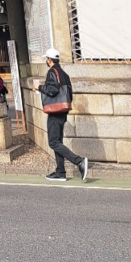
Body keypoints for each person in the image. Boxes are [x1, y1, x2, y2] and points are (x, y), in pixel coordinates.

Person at [37, 47, 88, 182]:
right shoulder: (64, 74)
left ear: (49, 60)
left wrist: (40, 87)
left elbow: (52, 90)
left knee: (53, 142)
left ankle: (79, 161)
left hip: (55, 112)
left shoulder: (52, 72)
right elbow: (69, 94)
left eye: (46, 59)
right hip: (62, 111)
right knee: (57, 141)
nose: (46, 61)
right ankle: (60, 172)